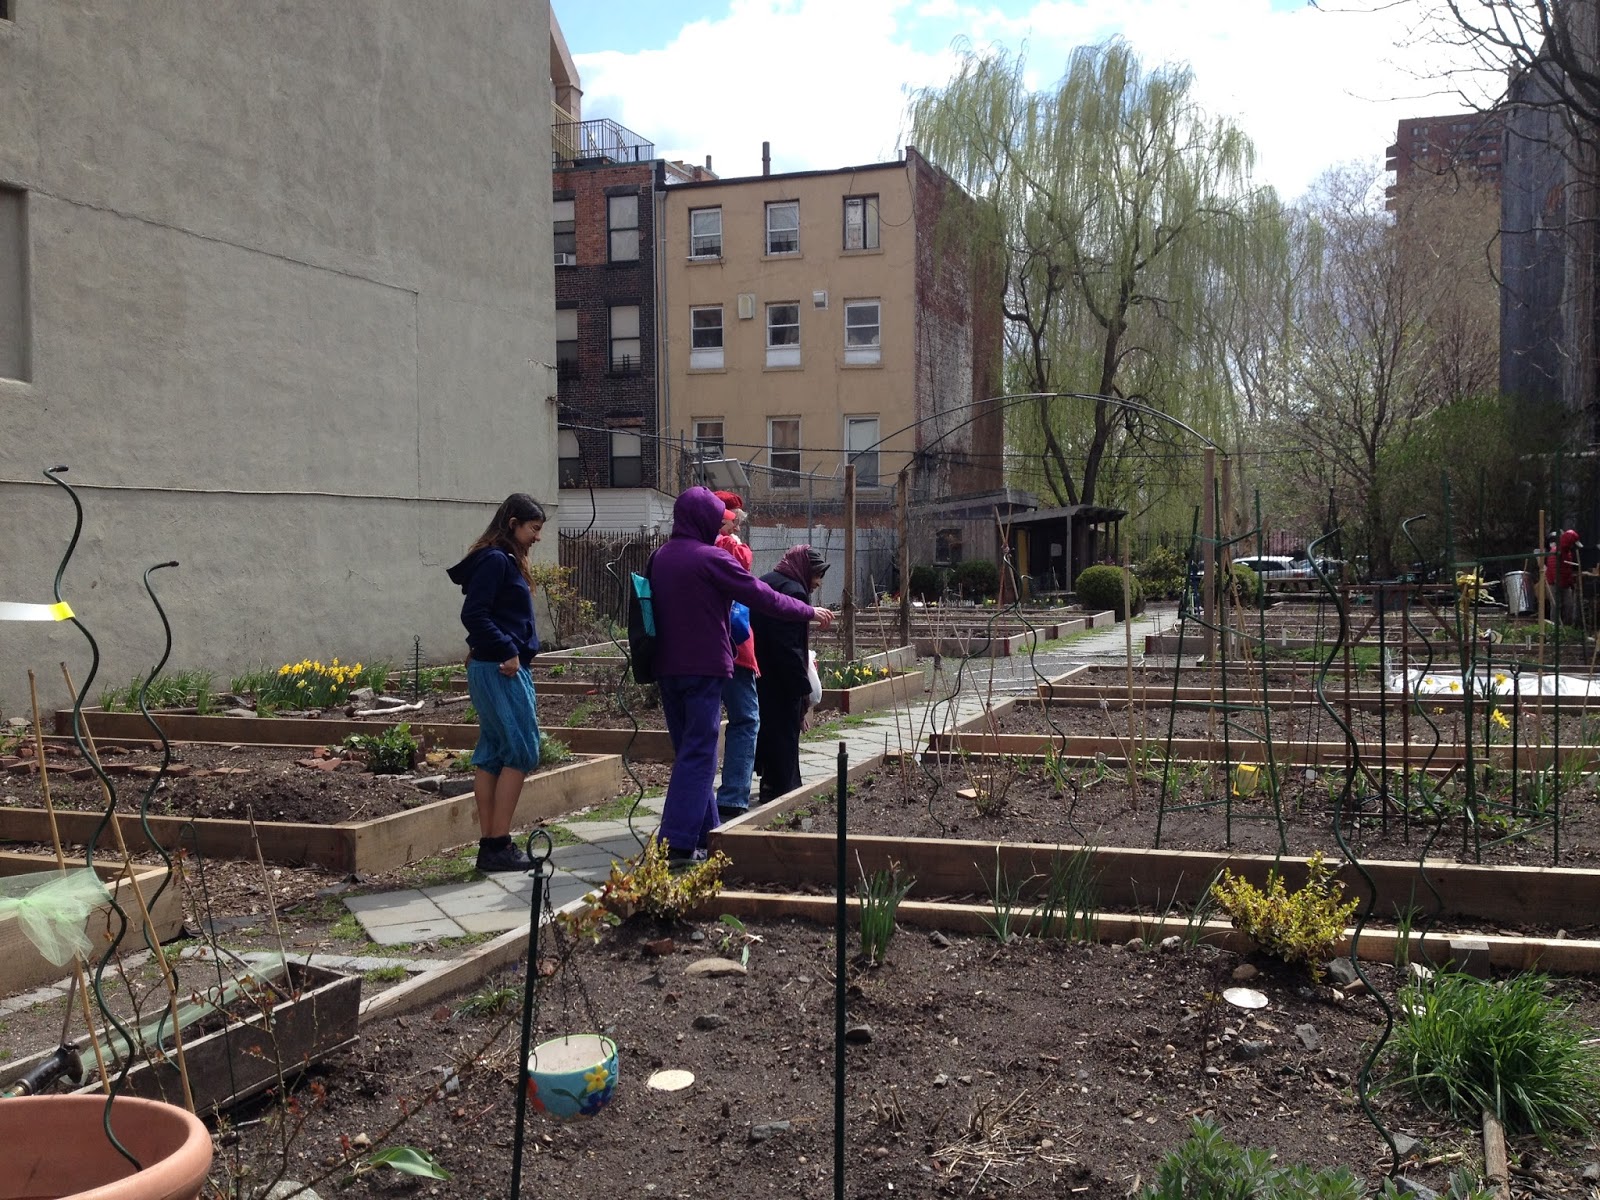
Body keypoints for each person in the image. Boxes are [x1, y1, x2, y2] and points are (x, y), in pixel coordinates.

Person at [650, 487, 833, 864]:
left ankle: (707, 833)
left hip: (667, 667)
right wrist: (808, 612)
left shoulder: (660, 557)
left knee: (688, 750)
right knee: (700, 754)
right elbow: (761, 595)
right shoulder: (711, 559)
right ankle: (676, 843)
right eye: (717, 520)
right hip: (704, 667)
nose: (721, 527)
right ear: (701, 520)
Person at [445, 494, 546, 873]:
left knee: (492, 752)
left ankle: (490, 847)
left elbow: (490, 612)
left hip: (491, 665)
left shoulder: (497, 559)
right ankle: (499, 844)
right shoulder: (494, 560)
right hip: (502, 669)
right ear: (513, 523)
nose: (536, 537)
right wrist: (505, 649)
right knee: (521, 752)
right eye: (533, 529)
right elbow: (475, 612)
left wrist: (480, 645)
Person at [751, 545, 830, 806]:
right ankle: (782, 790)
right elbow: (790, 645)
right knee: (785, 732)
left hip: (758, 668)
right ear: (805, 571)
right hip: (780, 673)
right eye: (817, 575)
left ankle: (768, 784)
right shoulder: (795, 591)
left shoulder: (766, 580)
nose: (818, 582)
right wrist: (802, 687)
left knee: (767, 728)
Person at [713, 501, 761, 825]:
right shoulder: (722, 545)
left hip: (712, 649)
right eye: (735, 523)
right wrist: (735, 541)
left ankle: (709, 801)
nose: (738, 530)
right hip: (731, 650)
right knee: (745, 720)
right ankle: (732, 799)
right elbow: (742, 565)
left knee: (704, 725)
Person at [1546, 527, 1583, 626]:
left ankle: (1566, 627)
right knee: (1556, 606)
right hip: (1554, 583)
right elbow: (1554, 568)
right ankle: (1554, 627)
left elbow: (1567, 569)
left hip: (1565, 583)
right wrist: (1558, 582)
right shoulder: (1555, 551)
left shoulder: (1568, 553)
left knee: (1569, 605)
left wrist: (1570, 582)